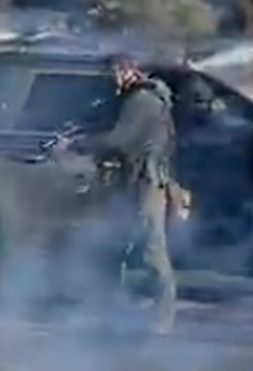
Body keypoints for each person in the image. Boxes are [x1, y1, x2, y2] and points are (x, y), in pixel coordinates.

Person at [69, 54, 180, 333]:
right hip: (135, 180)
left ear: (128, 71)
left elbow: (119, 139)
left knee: (152, 249)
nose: (111, 79)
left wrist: (80, 144)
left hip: (145, 183)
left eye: (115, 72)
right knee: (116, 245)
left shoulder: (142, 101)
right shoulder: (137, 99)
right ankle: (113, 309)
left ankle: (163, 316)